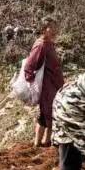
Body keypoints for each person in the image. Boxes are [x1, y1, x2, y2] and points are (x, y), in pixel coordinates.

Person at [22, 18, 65, 147]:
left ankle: (41, 143)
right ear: (43, 29)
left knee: (46, 114)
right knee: (50, 113)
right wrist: (32, 84)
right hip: (47, 88)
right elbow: (29, 66)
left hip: (54, 86)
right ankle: (43, 143)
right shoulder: (41, 45)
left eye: (55, 27)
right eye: (50, 27)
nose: (54, 30)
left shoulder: (49, 44)